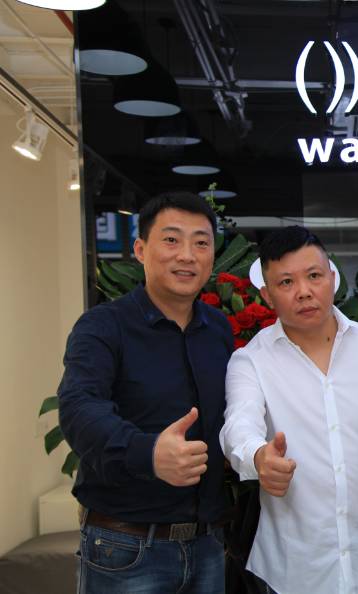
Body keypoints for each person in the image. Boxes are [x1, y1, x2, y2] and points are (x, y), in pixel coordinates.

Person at [58, 192, 233, 594]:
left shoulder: (218, 329)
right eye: (171, 240)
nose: (187, 255)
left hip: (208, 544)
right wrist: (149, 453)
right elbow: (79, 407)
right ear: (140, 250)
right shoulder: (103, 326)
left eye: (201, 242)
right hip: (126, 547)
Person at [220, 226, 358, 594]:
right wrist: (258, 457)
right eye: (286, 282)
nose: (303, 291)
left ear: (332, 278)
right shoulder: (251, 361)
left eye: (314, 276)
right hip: (293, 570)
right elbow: (238, 424)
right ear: (267, 295)